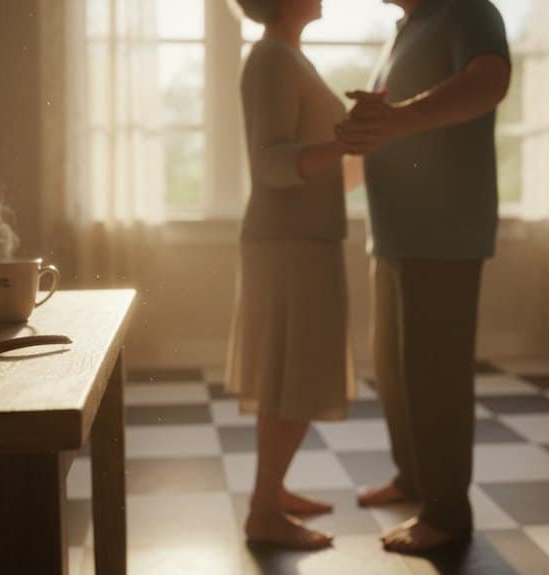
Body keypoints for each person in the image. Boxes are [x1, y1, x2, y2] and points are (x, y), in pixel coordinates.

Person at [335, 0, 511, 554]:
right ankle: (414, 479)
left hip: (443, 234)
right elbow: (385, 130)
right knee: (394, 366)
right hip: (395, 235)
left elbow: (489, 83)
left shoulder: (469, 10)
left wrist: (400, 116)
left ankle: (446, 513)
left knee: (435, 374)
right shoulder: (408, 28)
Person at [225, 0, 364, 551]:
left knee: (290, 374)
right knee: (294, 376)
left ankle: (272, 494)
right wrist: (344, 142)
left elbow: (308, 161)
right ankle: (263, 511)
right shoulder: (274, 60)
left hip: (300, 239)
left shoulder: (287, 58)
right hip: (291, 245)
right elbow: (271, 162)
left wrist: (351, 146)